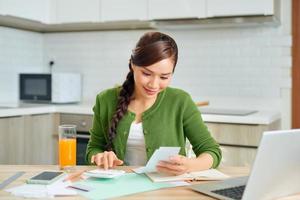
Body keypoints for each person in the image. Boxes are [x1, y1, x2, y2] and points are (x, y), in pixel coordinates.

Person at [86, 31, 221, 175]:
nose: (154, 84)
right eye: (146, 74)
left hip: (166, 190)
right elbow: (93, 148)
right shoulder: (105, 100)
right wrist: (99, 157)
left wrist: (190, 165)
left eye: (164, 77)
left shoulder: (181, 101)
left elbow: (211, 151)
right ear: (133, 65)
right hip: (118, 190)